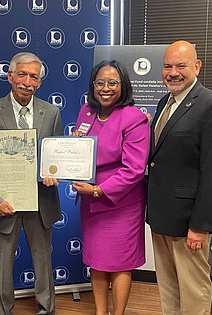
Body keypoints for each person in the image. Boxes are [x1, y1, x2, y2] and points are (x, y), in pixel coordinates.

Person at [147, 40, 212, 315]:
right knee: (169, 288)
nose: (173, 72)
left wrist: (201, 226)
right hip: (162, 216)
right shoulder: (166, 101)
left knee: (194, 291)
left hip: (189, 223)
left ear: (196, 66)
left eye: (180, 65)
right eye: (167, 66)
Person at [0, 52, 62, 315]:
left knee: (44, 264)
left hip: (40, 202)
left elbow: (53, 154)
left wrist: (53, 171)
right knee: (1, 266)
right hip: (3, 203)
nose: (27, 81)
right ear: (10, 76)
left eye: (34, 76)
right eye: (21, 74)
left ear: (40, 82)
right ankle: (3, 311)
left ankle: (47, 310)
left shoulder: (51, 112)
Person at [72, 60, 151, 315]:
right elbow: (80, 150)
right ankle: (99, 311)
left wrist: (98, 190)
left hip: (120, 202)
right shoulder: (86, 111)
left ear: (123, 85)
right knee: (97, 260)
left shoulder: (134, 118)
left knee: (119, 264)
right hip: (90, 200)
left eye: (113, 83)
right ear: (93, 85)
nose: (106, 88)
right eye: (100, 82)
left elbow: (135, 169)